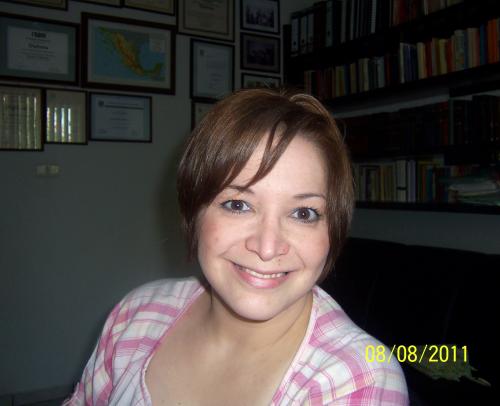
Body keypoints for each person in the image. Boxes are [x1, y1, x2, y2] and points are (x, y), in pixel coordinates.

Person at [64, 88, 408, 405]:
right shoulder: (136, 315)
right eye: (238, 205)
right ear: (193, 213)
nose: (267, 247)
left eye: (303, 213)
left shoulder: (358, 381)